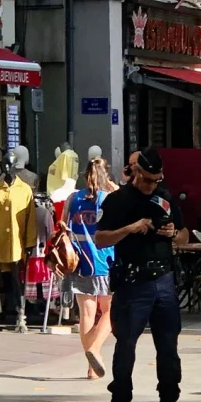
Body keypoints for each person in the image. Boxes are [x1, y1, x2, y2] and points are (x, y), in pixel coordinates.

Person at [93, 148, 193, 402]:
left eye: (157, 179)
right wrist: (130, 228)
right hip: (133, 282)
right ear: (136, 172)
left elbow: (185, 237)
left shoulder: (166, 197)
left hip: (163, 280)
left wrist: (172, 233)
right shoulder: (118, 200)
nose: (152, 185)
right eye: (148, 179)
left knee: (169, 348)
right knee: (126, 346)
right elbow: (100, 239)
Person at [67, 158, 116, 380]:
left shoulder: (73, 198)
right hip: (105, 261)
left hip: (79, 261)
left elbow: (62, 226)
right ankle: (94, 349)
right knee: (110, 310)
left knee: (86, 313)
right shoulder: (110, 199)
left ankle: (90, 367)